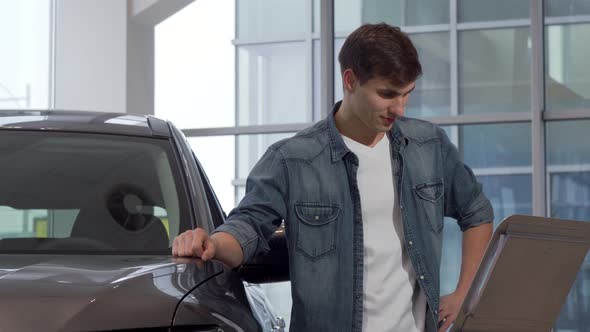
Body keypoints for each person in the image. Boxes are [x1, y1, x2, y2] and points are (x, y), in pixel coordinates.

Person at [173, 23, 493, 332]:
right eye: (387, 94)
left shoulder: (429, 145)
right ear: (350, 80)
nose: (398, 108)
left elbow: (476, 212)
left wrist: (465, 292)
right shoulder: (292, 159)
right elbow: (247, 227)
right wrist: (211, 243)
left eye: (406, 94)